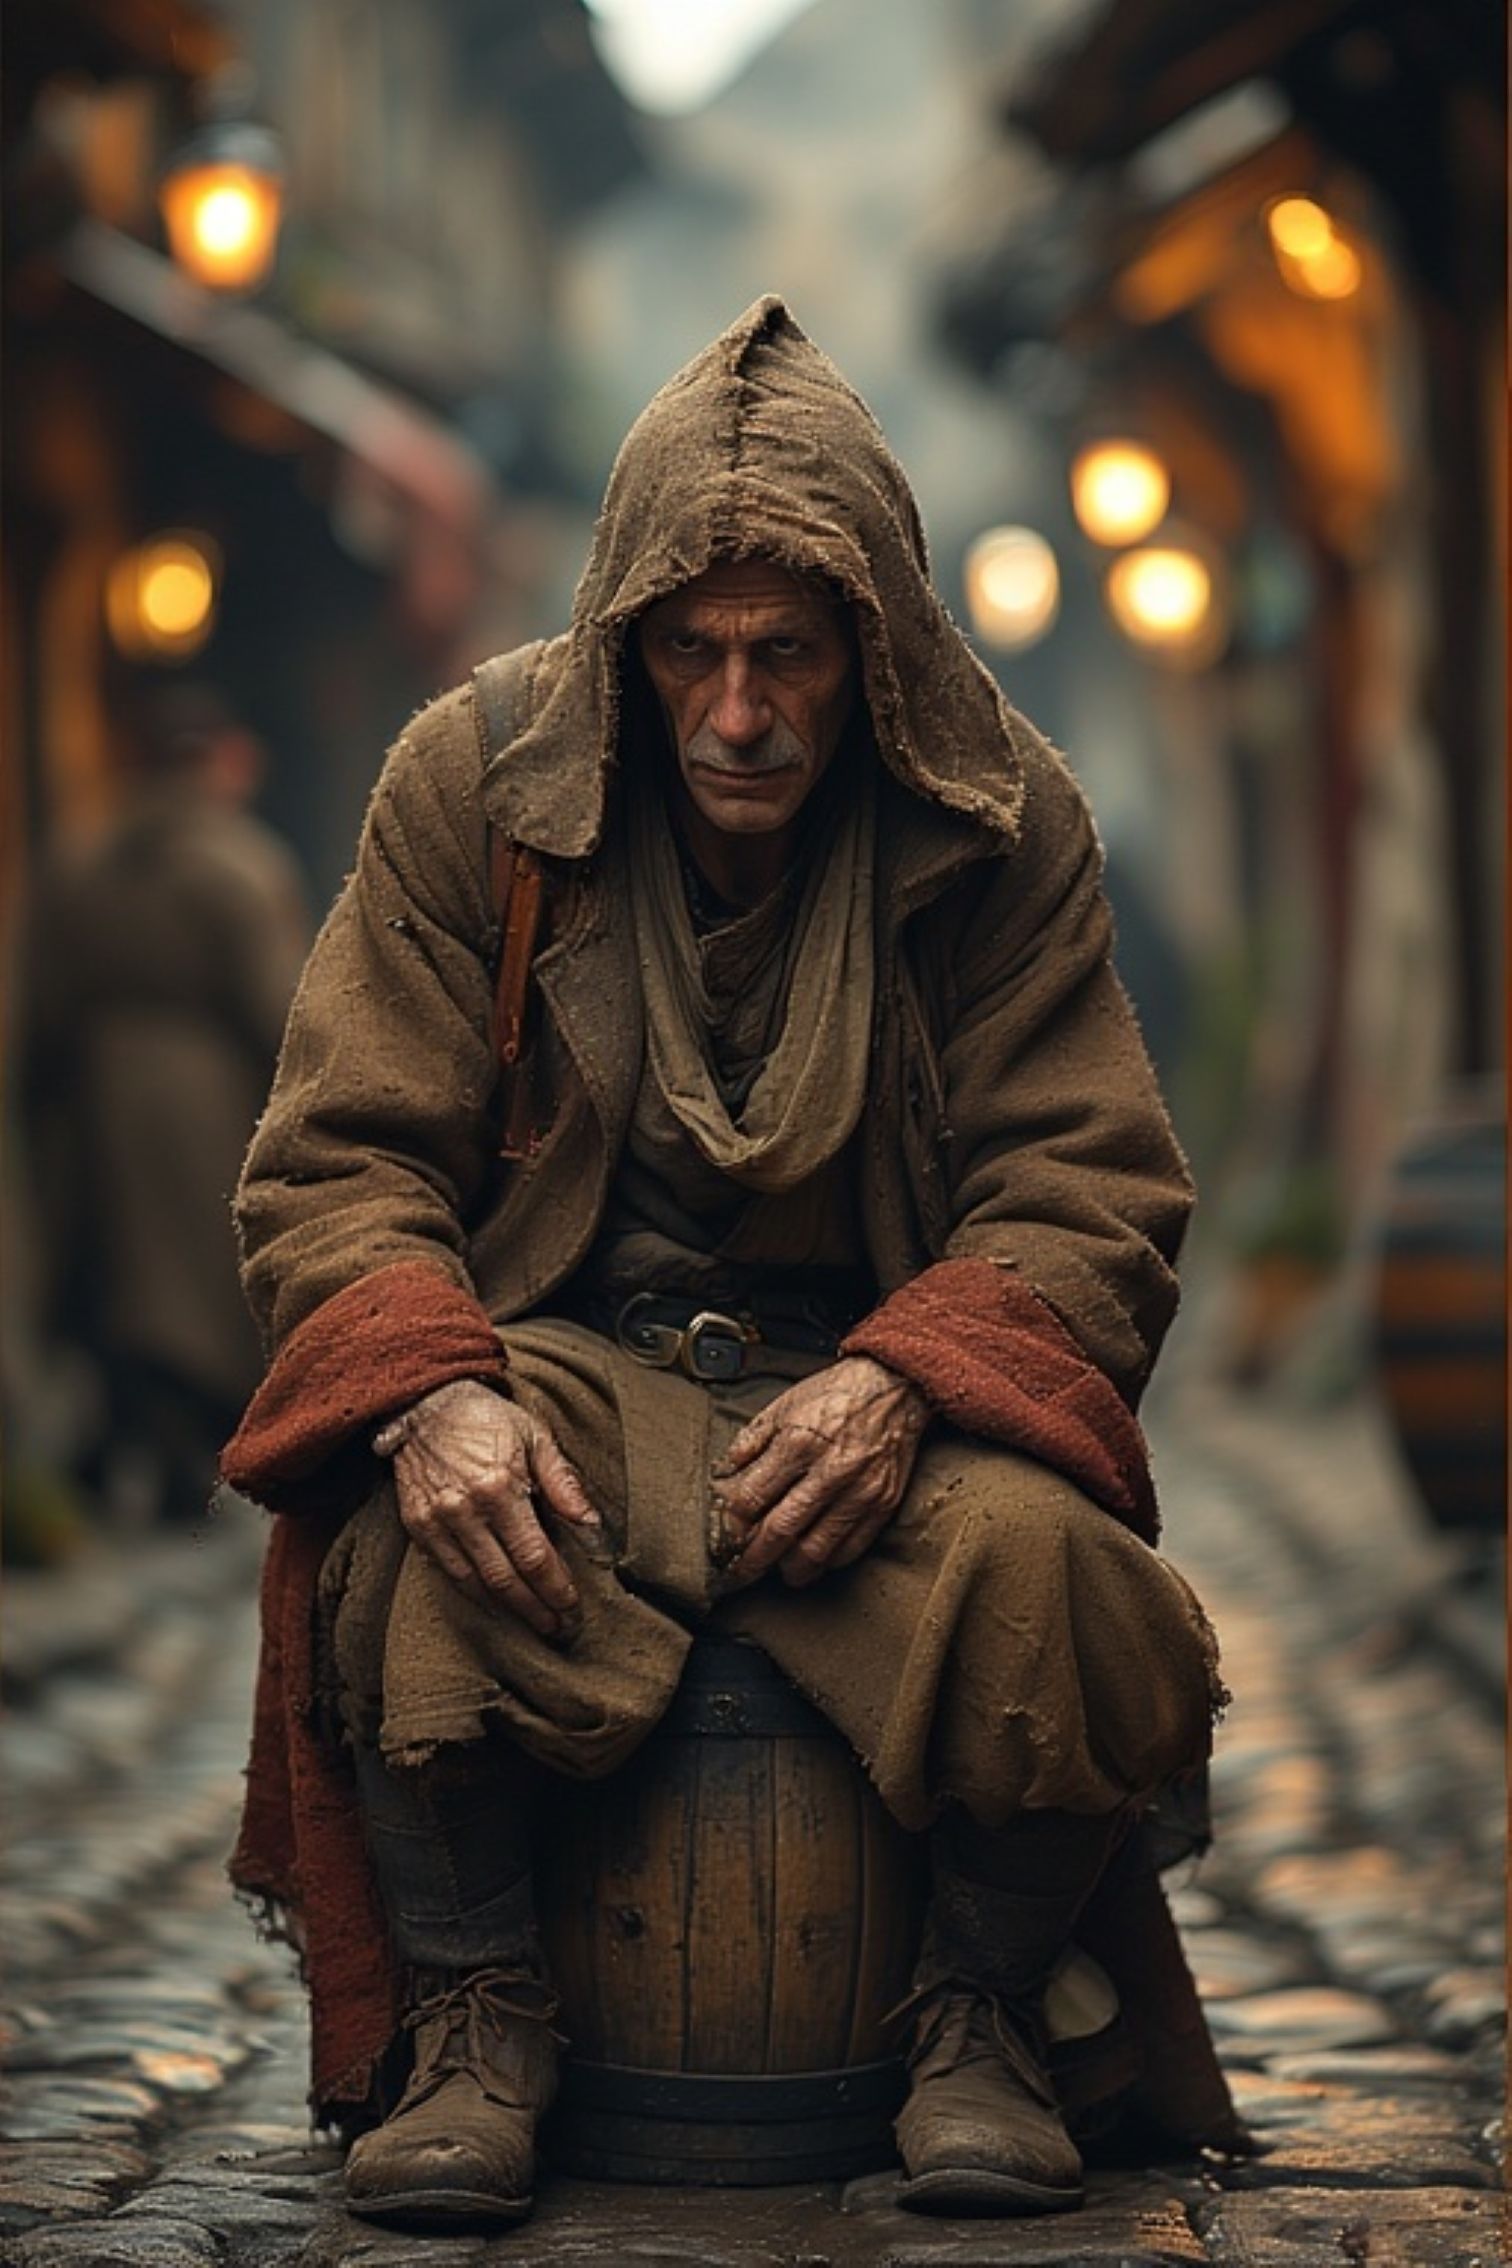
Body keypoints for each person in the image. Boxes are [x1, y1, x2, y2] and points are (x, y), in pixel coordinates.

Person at [221, 298, 1242, 2231]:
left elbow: (1089, 1184)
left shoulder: (995, 818)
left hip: (865, 1381)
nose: (740, 710)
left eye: (788, 652)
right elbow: (342, 1157)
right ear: (625, 644)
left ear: (874, 647)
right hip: (568, 1363)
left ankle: (983, 2021)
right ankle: (471, 2020)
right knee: (414, 1550)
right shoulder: (478, 780)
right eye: (691, 651)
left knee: (1066, 1590)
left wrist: (908, 1376)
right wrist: (434, 1390)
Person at [19, 682, 308, 1525]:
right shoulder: (236, 863)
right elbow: (279, 1008)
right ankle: (176, 1450)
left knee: (114, 1280)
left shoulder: (79, 858)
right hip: (198, 1102)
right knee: (190, 1288)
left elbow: (40, 1003)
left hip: (94, 1098)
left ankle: (126, 1437)